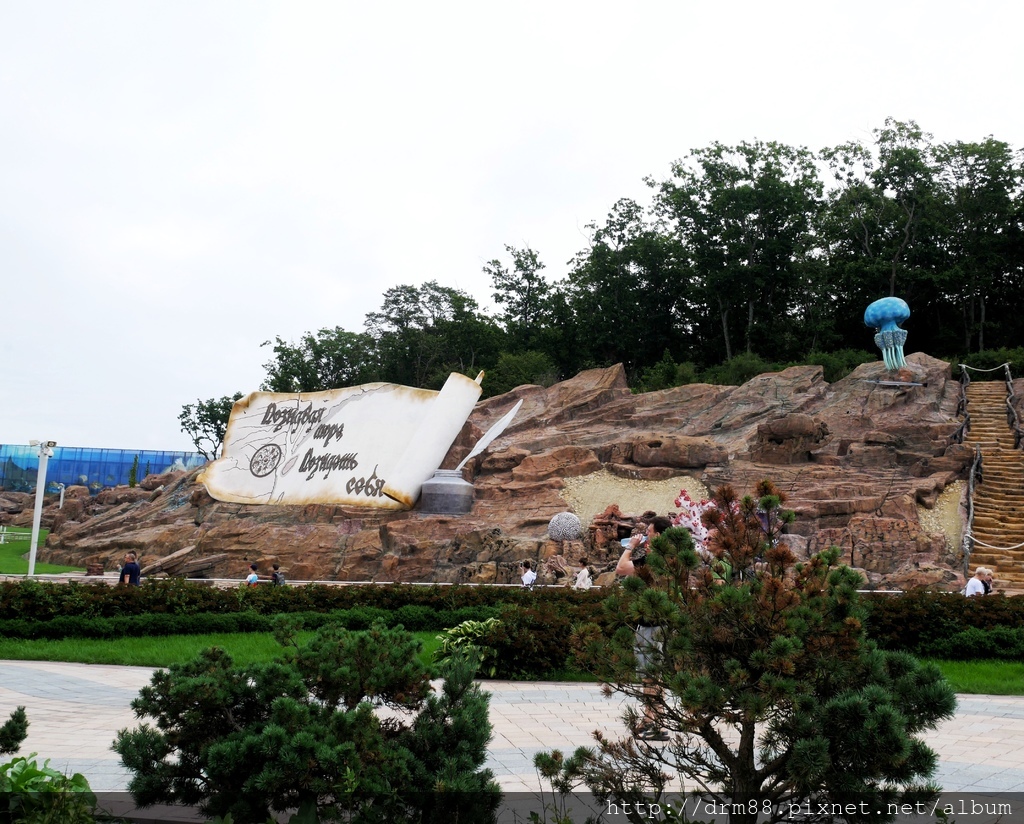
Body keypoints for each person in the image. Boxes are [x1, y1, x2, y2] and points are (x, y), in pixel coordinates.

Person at [615, 516, 672, 741]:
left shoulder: (653, 560)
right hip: (664, 621)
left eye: (649, 531)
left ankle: (657, 722)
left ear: (657, 534)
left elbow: (621, 568)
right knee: (655, 675)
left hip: (651, 623)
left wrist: (630, 547)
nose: (646, 535)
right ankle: (650, 719)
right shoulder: (673, 558)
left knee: (650, 676)